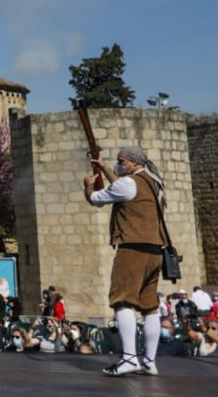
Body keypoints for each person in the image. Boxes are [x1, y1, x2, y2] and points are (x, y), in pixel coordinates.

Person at [85, 145, 169, 377]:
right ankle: (149, 361)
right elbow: (123, 187)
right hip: (156, 250)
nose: (119, 165)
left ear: (132, 162)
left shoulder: (128, 184)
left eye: (122, 161)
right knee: (149, 307)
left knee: (122, 301)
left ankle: (129, 358)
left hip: (132, 249)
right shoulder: (155, 181)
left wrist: (88, 185)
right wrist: (104, 168)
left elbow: (97, 200)